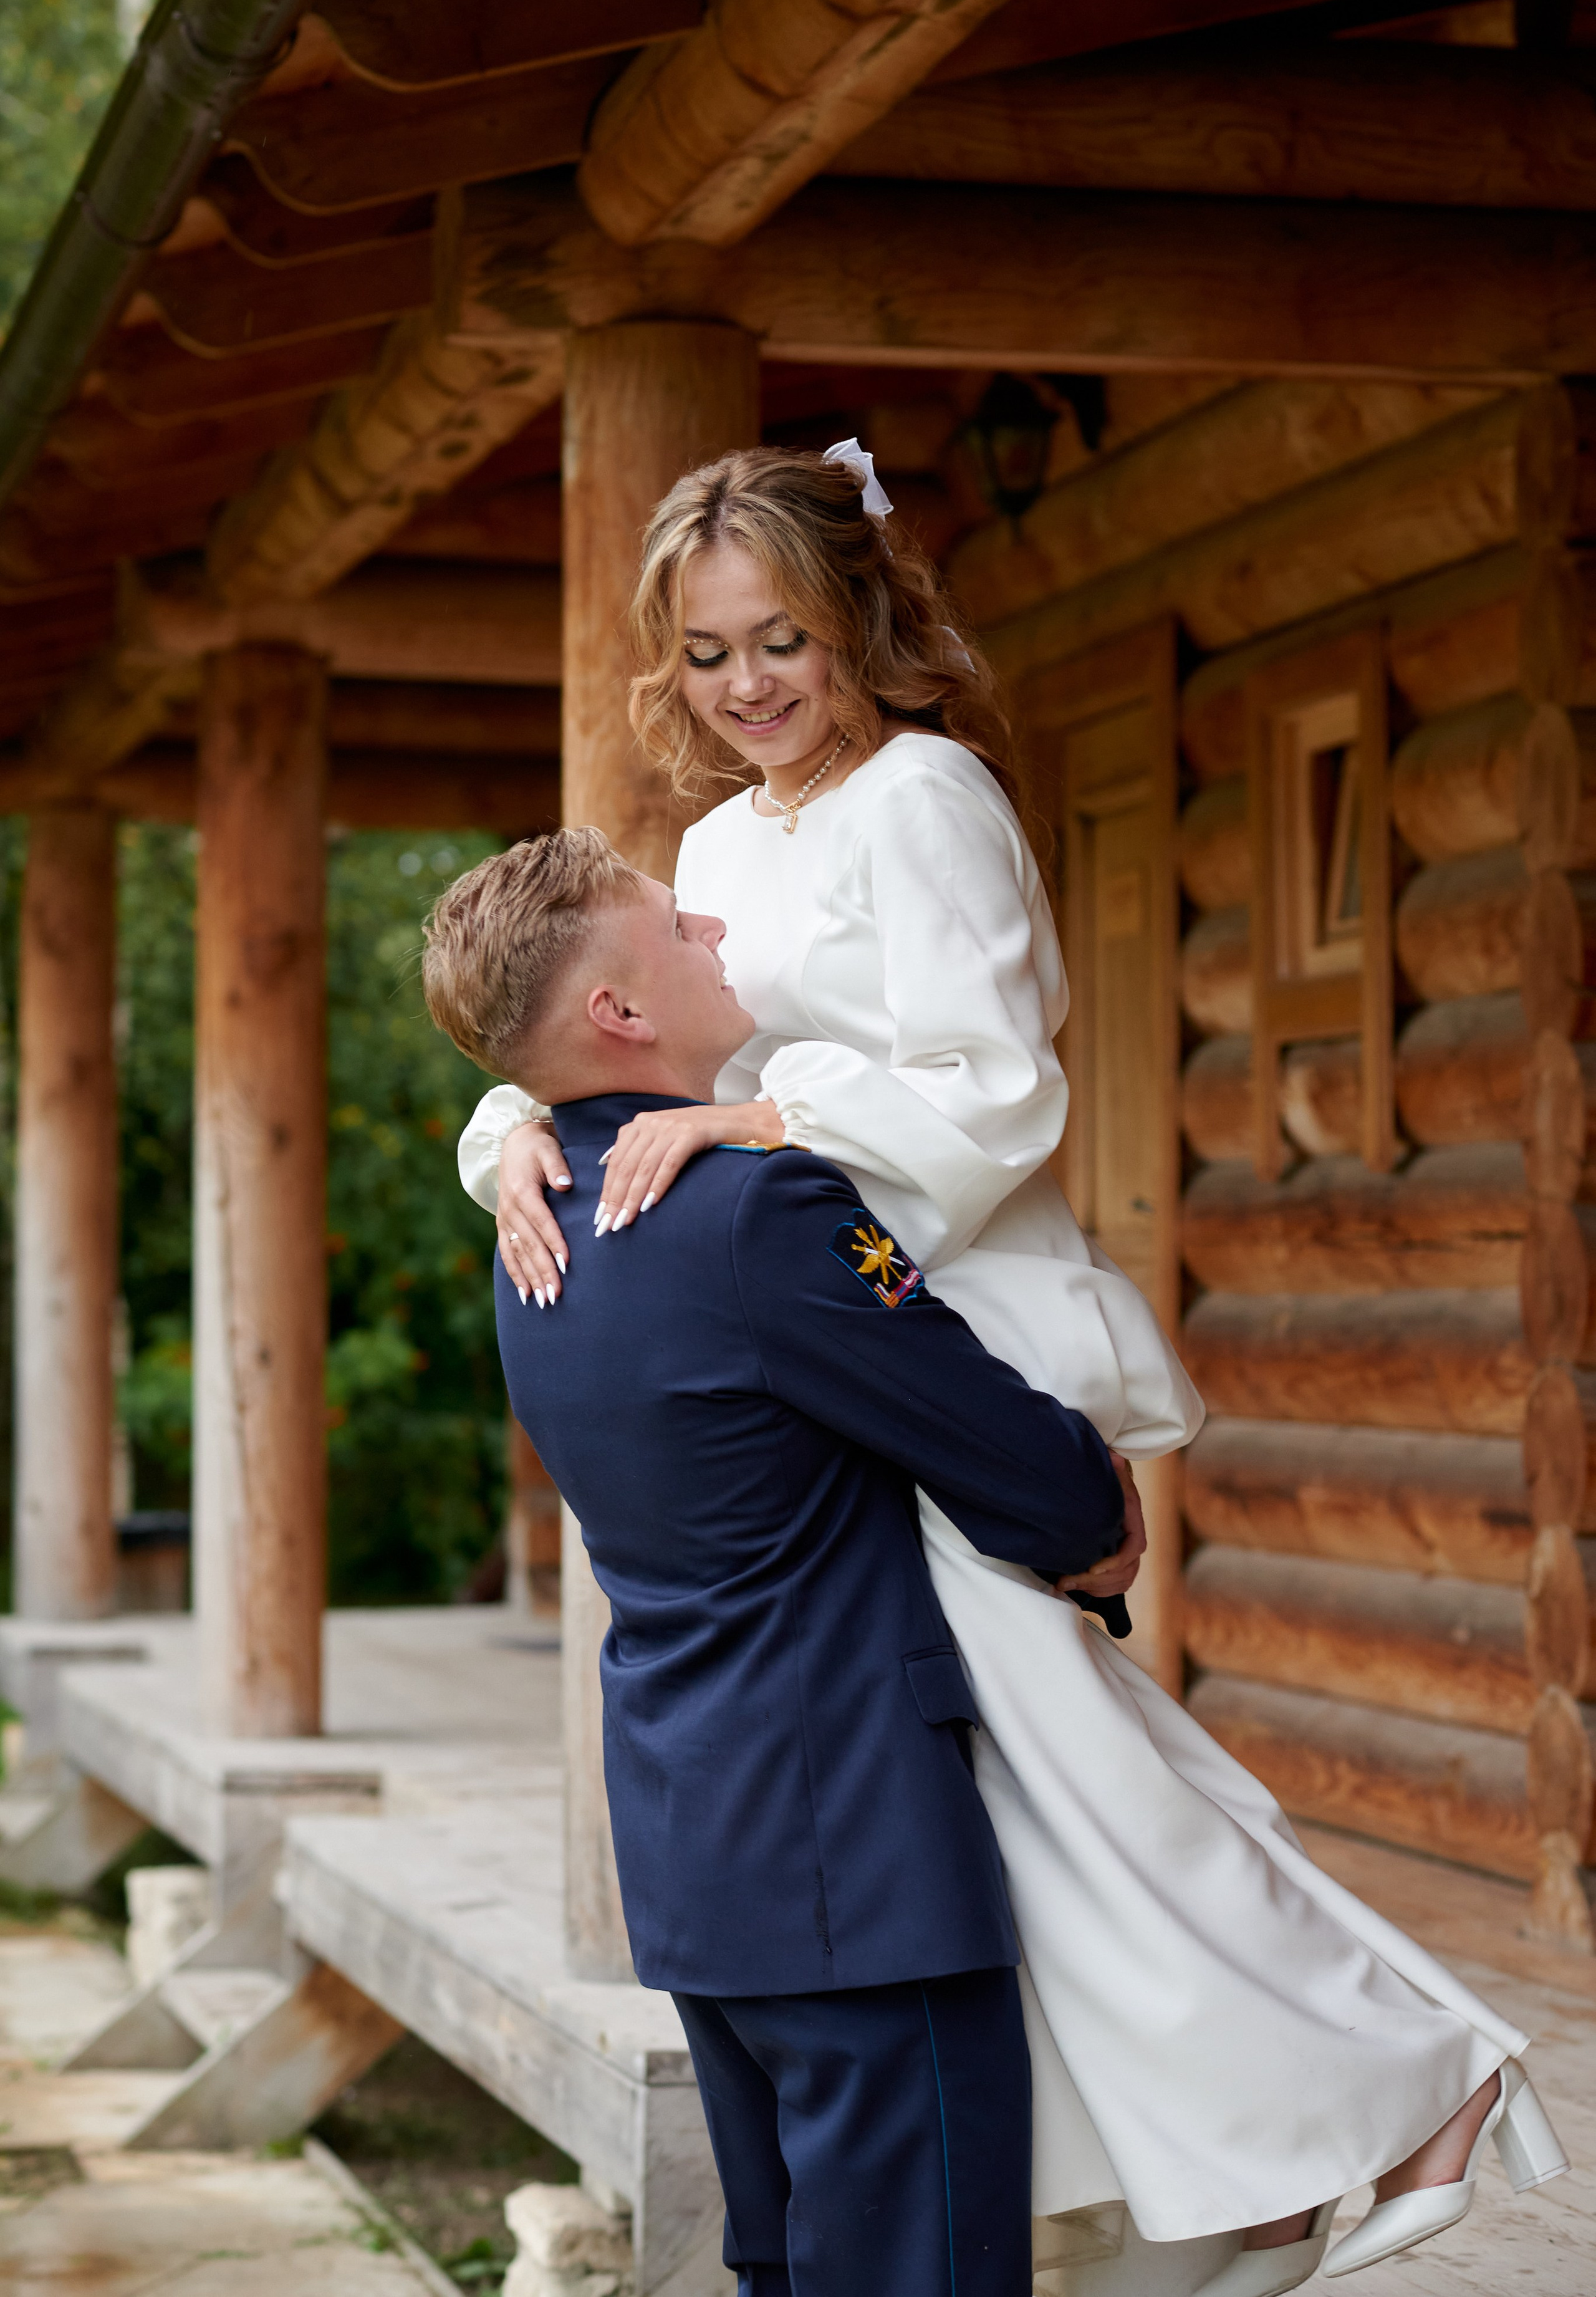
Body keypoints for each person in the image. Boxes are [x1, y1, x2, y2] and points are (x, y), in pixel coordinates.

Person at [453, 447, 1567, 2294]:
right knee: (1021, 1810)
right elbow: (609, 1032)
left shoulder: (926, 794)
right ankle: (1251, 2160)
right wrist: (506, 1135)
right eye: (709, 653)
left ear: (856, 616)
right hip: (818, 1357)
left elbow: (994, 1089)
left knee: (1082, 1783)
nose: (747, 685)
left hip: (937, 1307)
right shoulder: (715, 850)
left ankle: (1403, 2081)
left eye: (781, 639)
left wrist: (753, 1122)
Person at [423, 826, 1142, 2297]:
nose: (711, 927)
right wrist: (1093, 1511)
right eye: (674, 925)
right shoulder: (763, 1209)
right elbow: (998, 1443)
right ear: (620, 1010)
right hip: (855, 1853)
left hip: (695, 1848)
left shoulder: (532, 1223)